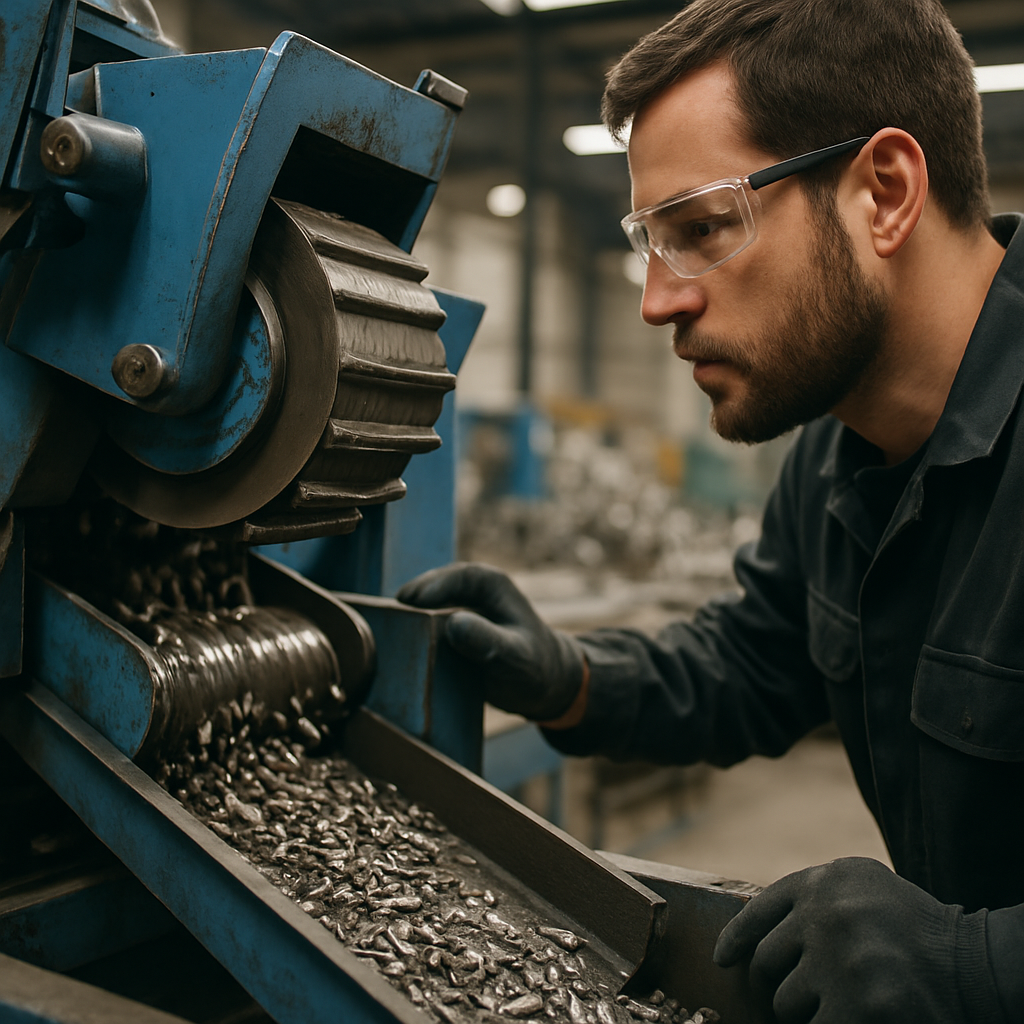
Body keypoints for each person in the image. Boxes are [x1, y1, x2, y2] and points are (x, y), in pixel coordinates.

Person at [398, 1, 1024, 1020]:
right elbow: (757, 661)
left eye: (701, 229)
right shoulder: (837, 448)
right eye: (650, 240)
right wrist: (574, 679)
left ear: (884, 193)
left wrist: (974, 966)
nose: (657, 301)